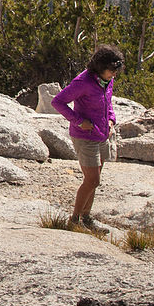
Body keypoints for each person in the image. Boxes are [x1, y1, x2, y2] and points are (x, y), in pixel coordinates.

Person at [51, 45, 125, 229]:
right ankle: (74, 220)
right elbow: (57, 101)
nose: (114, 75)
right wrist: (78, 121)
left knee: (94, 180)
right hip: (85, 136)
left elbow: (108, 104)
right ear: (100, 67)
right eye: (111, 71)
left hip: (101, 133)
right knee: (93, 180)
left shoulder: (106, 80)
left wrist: (111, 120)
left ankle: (86, 218)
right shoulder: (83, 82)